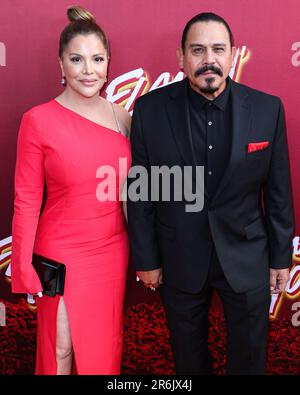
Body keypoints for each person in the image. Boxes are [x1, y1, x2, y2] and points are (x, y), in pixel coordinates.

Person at [127, 12, 294, 374]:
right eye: (198, 50)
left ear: (233, 54)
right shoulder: (150, 111)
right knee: (188, 361)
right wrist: (147, 259)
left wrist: (281, 257)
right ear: (181, 57)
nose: (209, 59)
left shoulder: (267, 109)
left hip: (247, 255)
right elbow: (141, 194)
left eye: (218, 49)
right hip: (179, 257)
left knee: (249, 360)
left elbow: (279, 191)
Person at [11, 6, 131, 375]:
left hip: (112, 250)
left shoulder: (122, 117)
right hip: (61, 251)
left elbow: (134, 192)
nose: (88, 70)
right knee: (61, 347)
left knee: (104, 349)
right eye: (76, 59)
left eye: (97, 59)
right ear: (61, 64)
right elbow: (27, 197)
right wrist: (22, 264)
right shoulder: (37, 120)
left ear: (109, 63)